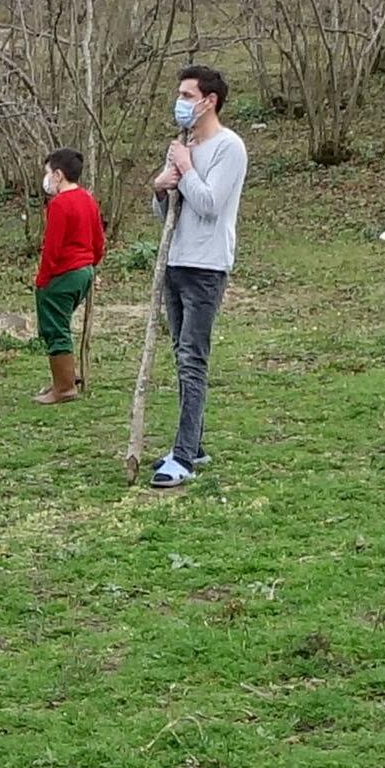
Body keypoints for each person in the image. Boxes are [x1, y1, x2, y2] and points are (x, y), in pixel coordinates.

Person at [147, 66, 245, 490]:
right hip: (176, 261)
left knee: (192, 358)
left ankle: (183, 456)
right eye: (180, 95)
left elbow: (208, 204)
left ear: (210, 101)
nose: (181, 103)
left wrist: (185, 171)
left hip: (206, 267)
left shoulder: (229, 147)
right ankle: (194, 442)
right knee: (179, 353)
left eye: (188, 95)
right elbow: (168, 214)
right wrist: (160, 188)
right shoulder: (182, 146)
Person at [31, 148, 105, 405]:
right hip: (83, 271)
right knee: (61, 321)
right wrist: (92, 266)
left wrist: (42, 280)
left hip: (65, 272)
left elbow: (52, 248)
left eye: (49, 173)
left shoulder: (60, 205)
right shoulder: (88, 199)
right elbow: (99, 242)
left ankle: (64, 387)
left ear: (59, 175)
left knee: (55, 326)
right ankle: (66, 375)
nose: (47, 179)